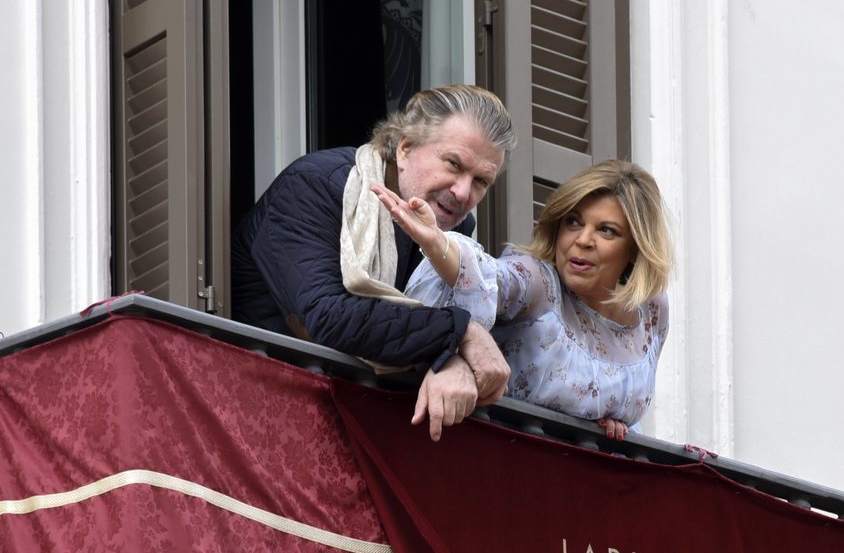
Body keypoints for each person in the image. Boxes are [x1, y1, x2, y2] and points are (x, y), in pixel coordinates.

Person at [231, 85, 517, 441]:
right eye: (453, 164)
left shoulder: (454, 233)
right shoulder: (314, 186)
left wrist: (453, 358)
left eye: (481, 181)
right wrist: (459, 335)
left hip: (368, 431)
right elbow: (329, 316)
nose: (462, 192)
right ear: (406, 147)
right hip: (262, 420)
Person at [372, 159, 674, 441]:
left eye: (606, 231)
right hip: (493, 465)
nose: (582, 240)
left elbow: (626, 417)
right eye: (573, 222)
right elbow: (487, 277)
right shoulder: (538, 281)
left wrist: (609, 431)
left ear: (635, 248)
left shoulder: (651, 312)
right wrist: (437, 242)